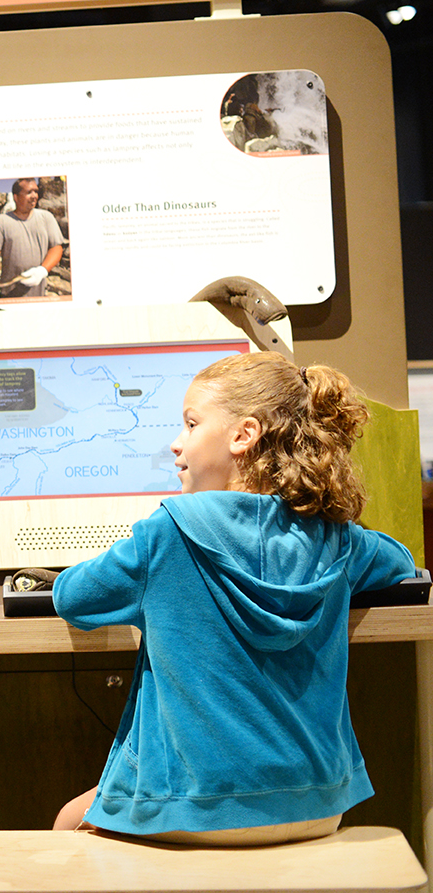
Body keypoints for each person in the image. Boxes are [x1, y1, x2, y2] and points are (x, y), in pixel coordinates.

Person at [52, 350, 416, 845]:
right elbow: (398, 561)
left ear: (243, 435)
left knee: (67, 822)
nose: (177, 445)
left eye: (191, 424)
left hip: (198, 812)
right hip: (320, 806)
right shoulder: (338, 540)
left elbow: (72, 596)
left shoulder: (167, 535)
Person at [0, 177, 64, 298]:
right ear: (15, 197)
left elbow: (56, 248)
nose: (34, 196)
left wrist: (42, 271)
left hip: (38, 293)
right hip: (9, 292)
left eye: (36, 191)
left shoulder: (47, 218)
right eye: (29, 192)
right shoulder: (1, 221)